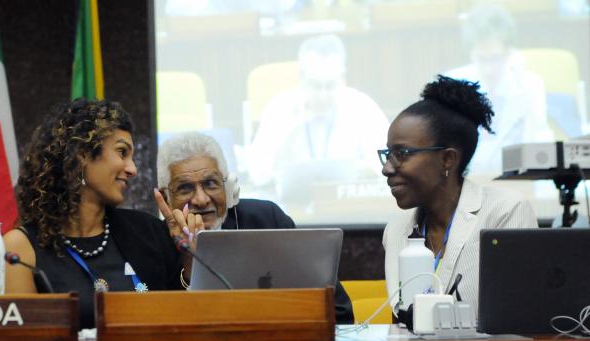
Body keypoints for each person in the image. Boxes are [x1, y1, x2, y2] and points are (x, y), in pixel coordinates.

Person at [4, 99, 182, 329]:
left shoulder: (149, 232)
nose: (132, 169)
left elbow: (183, 316)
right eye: (122, 152)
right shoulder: (20, 249)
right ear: (82, 154)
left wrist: (185, 258)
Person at [154, 132, 354, 324]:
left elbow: (340, 311)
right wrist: (189, 262)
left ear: (229, 187)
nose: (201, 199)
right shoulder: (154, 240)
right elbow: (164, 325)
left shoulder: (267, 219)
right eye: (185, 188)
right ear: (165, 199)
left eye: (210, 183)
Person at [380, 75, 538, 315]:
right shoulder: (396, 231)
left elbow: (521, 319)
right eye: (388, 154)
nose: (387, 168)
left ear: (447, 159)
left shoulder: (505, 212)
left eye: (402, 153)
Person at [246, 34, 389, 201]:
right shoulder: (280, 108)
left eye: (330, 86)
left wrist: (361, 171)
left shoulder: (362, 106)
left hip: (349, 206)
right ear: (301, 77)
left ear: (343, 77)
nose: (323, 96)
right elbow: (257, 174)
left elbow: (388, 165)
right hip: (292, 208)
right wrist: (286, 138)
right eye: (315, 86)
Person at [446, 4, 553, 174]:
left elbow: (539, 140)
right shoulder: (453, 86)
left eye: (495, 59)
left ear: (509, 52)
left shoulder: (530, 85)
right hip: (467, 184)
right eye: (482, 59)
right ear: (470, 52)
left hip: (517, 182)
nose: (489, 69)